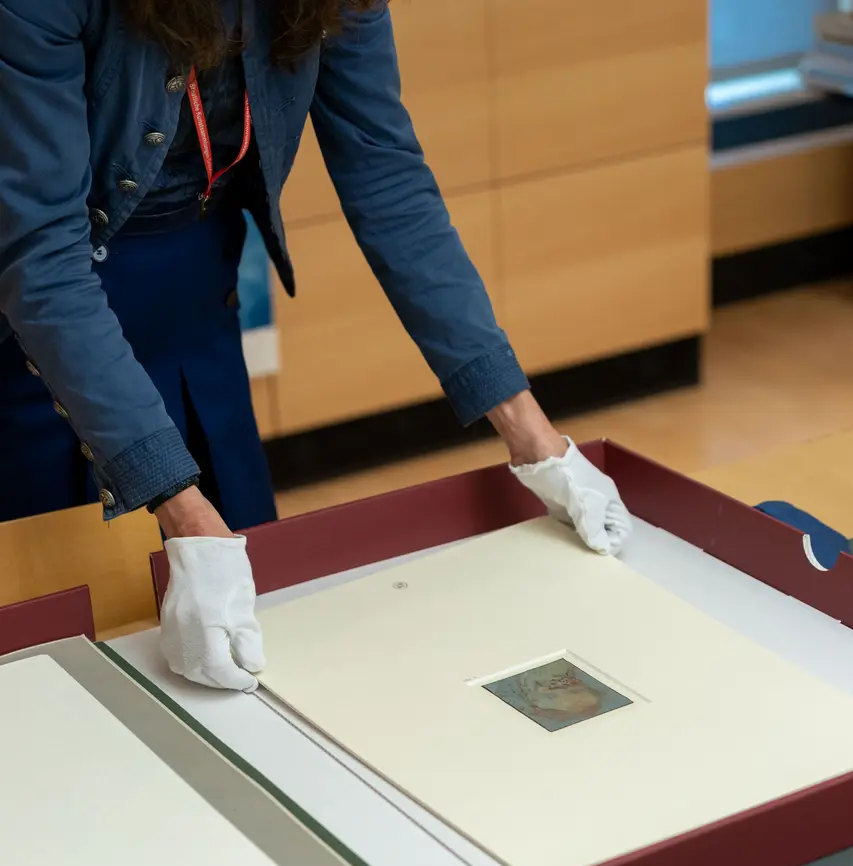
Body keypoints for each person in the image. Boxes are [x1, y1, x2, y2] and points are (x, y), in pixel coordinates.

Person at [0, 0, 632, 691]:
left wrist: (532, 434)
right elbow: (41, 259)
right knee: (62, 655)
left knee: (250, 619)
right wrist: (178, 504)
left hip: (197, 308)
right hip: (42, 345)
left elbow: (386, 176)